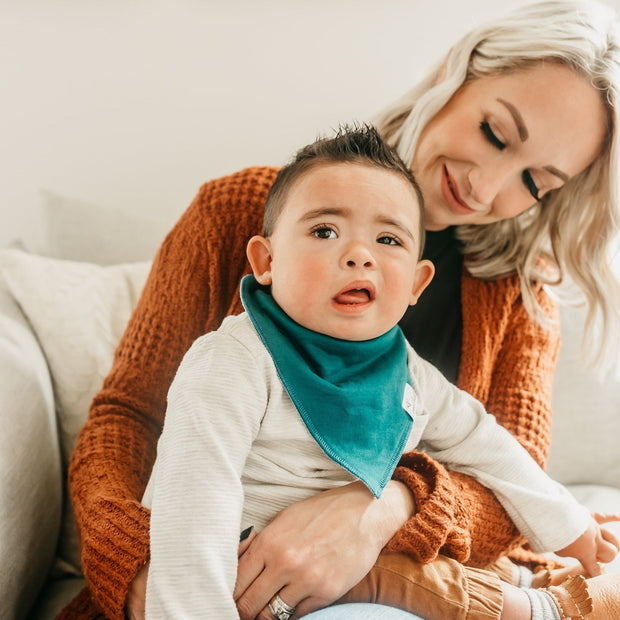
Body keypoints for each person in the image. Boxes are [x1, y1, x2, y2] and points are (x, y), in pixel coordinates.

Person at [59, 1, 620, 619]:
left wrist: (381, 510)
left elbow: (503, 477)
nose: (487, 187)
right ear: (451, 77)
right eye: (494, 133)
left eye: (535, 182)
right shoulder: (233, 221)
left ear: (418, 282)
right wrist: (146, 575)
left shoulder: (517, 296)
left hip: (414, 583)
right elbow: (128, 418)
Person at [142, 124, 618, 620]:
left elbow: (487, 444)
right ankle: (550, 611)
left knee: (409, 551)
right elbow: (192, 513)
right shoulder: (232, 362)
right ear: (266, 260)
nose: (358, 254)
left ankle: (526, 578)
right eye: (325, 231)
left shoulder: (407, 371)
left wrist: (572, 526)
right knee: (405, 572)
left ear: (417, 283)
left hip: (344, 563)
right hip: (250, 573)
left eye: (387, 238)